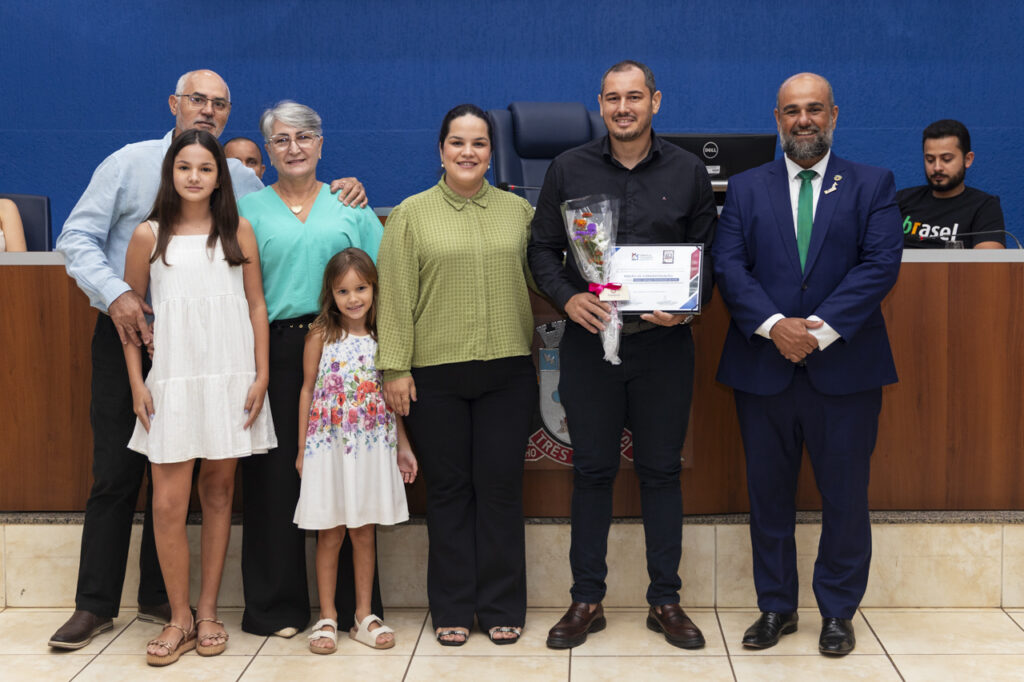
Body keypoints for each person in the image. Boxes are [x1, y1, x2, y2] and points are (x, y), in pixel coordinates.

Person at [50, 68, 365, 650]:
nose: (208, 111)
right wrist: (119, 296)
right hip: (134, 329)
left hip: (219, 353)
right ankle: (94, 604)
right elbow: (76, 238)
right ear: (174, 102)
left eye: (220, 104)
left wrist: (346, 186)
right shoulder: (127, 164)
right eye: (198, 99)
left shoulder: (240, 179)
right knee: (119, 474)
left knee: (203, 484)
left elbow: (289, 203)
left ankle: (169, 601)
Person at [527, 60, 716, 650]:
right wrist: (568, 297)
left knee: (661, 472)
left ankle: (666, 600)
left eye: (635, 97)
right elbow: (540, 250)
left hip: (664, 347)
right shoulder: (569, 168)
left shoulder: (687, 170)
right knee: (591, 472)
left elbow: (710, 254)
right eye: (613, 98)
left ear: (655, 101)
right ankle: (587, 599)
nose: (624, 108)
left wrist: (687, 307)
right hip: (590, 345)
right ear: (601, 104)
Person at [713, 73, 902, 656]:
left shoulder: (872, 183)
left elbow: (880, 264)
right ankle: (776, 606)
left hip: (844, 369)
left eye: (814, 109)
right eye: (792, 110)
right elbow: (728, 264)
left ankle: (838, 611)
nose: (803, 120)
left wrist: (813, 332)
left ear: (834, 115)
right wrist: (775, 326)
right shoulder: (745, 187)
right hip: (762, 367)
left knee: (845, 497)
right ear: (777, 119)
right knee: (768, 497)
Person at [377, 103, 537, 646]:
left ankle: (501, 606)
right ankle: (451, 607)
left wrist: (597, 277)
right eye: (457, 142)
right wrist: (395, 368)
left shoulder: (518, 213)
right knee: (448, 493)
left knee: (500, 490)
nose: (468, 152)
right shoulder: (411, 214)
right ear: (441, 150)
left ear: (492, 152)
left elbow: (542, 278)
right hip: (434, 377)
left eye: (479, 143)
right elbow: (395, 299)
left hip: (507, 373)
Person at [122, 129, 276, 665]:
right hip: (172, 381)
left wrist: (261, 375)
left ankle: (208, 611)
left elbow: (256, 305)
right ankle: (178, 617)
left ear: (219, 177)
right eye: (184, 167)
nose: (194, 176)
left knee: (218, 492)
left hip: (230, 376)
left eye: (205, 168)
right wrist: (137, 382)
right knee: (167, 502)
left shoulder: (239, 230)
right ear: (171, 172)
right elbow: (132, 317)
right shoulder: (147, 235)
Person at [238, 100, 385, 638]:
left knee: (348, 478)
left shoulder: (349, 203)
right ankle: (276, 608)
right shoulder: (248, 211)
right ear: (268, 150)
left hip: (347, 349)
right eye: (281, 139)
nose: (293, 148)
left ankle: (352, 609)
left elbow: (383, 280)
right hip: (274, 350)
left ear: (321, 144)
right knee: (275, 479)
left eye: (303, 137)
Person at [295, 248, 417, 654]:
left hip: (371, 447)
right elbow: (307, 390)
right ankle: (328, 616)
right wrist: (302, 449)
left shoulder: (385, 337)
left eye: (361, 288)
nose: (353, 298)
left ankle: (363, 615)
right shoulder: (320, 335)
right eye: (343, 290)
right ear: (331, 294)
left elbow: (392, 398)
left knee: (364, 531)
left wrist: (402, 445)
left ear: (374, 288)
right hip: (328, 448)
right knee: (329, 532)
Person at [897, 119, 1006, 248]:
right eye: (930, 159)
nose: (937, 167)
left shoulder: (984, 207)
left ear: (968, 159)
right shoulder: (901, 200)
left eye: (946, 159)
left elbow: (989, 259)